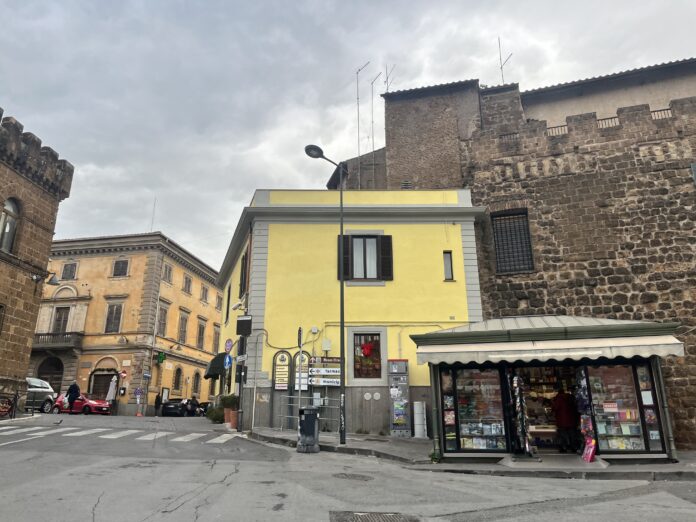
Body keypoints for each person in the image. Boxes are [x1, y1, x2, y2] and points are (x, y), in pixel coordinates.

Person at [551, 385, 579, 453]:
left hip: (562, 420)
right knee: (572, 434)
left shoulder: (559, 398)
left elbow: (555, 408)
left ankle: (564, 447)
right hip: (572, 420)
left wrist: (552, 404)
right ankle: (574, 447)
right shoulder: (571, 397)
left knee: (562, 434)